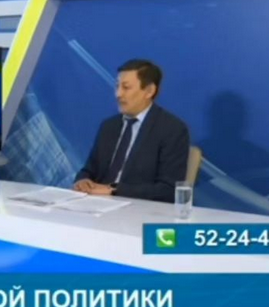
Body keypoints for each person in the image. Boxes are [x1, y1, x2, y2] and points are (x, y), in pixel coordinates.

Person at [73, 59, 189, 203]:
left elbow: (168, 189)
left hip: (138, 207)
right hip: (96, 203)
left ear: (149, 91)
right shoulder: (109, 126)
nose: (118, 94)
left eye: (126, 87)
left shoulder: (172, 129)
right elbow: (89, 169)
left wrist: (114, 190)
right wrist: (83, 180)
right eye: (117, 86)